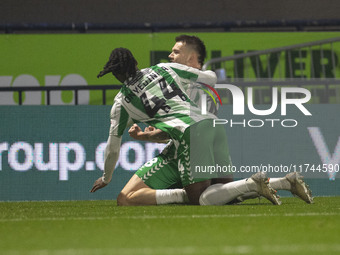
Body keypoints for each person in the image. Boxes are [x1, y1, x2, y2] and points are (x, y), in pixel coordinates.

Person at [90, 46, 281, 206]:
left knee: (199, 198)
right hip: (212, 123)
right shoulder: (164, 68)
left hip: (190, 134)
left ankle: (253, 183)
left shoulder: (122, 102)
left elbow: (113, 148)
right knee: (224, 195)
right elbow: (210, 78)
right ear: (135, 63)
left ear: (115, 73)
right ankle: (280, 183)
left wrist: (106, 178)